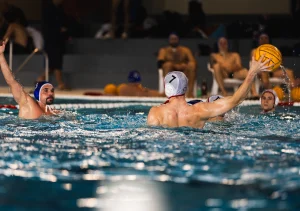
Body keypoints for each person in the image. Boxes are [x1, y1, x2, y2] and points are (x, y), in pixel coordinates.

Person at [147, 55, 272, 129]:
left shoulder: (156, 112)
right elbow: (236, 100)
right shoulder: (200, 110)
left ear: (167, 88)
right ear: (185, 88)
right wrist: (252, 72)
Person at [0, 40, 58, 119]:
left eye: (52, 90)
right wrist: (1, 55)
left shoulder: (52, 112)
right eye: (46, 90)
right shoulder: (27, 102)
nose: (50, 93)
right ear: (38, 93)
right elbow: (11, 81)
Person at [36, 0, 68, 90]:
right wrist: (59, 29)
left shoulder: (60, 9)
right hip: (52, 41)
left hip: (57, 40)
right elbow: (48, 26)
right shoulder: (49, 10)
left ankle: (41, 79)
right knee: (55, 63)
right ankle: (60, 83)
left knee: (53, 64)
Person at [157, 33, 196, 98]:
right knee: (167, 65)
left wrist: (184, 65)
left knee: (192, 65)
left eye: (175, 39)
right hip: (170, 72)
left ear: (178, 40)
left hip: (184, 71)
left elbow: (193, 61)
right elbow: (160, 63)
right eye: (172, 39)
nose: (173, 41)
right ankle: (167, 92)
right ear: (169, 40)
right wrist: (174, 65)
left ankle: (190, 93)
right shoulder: (164, 50)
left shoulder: (185, 50)